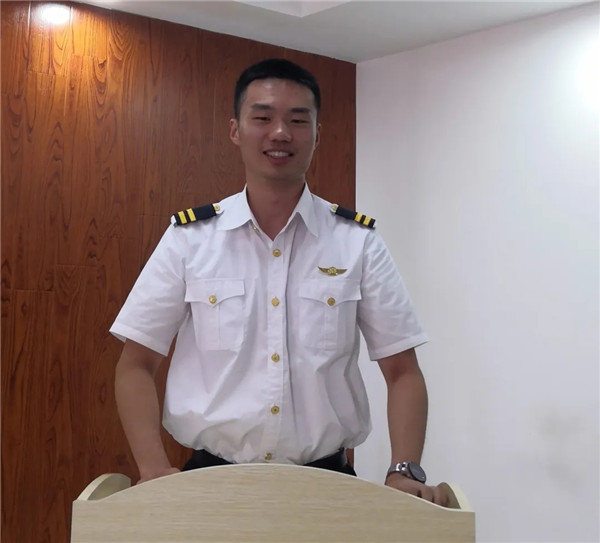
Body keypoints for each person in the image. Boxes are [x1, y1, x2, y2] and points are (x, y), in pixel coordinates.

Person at [111, 58, 446, 505]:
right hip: (208, 485)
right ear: (235, 130)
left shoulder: (356, 242)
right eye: (263, 117)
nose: (281, 133)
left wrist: (403, 470)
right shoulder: (190, 239)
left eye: (298, 120)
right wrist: (153, 469)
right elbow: (136, 365)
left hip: (328, 488)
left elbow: (403, 372)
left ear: (317, 134)